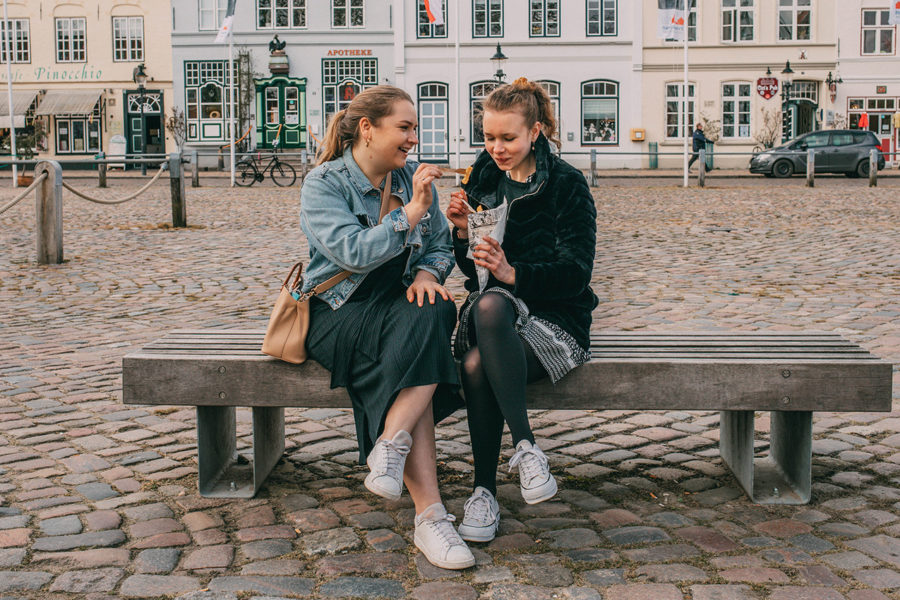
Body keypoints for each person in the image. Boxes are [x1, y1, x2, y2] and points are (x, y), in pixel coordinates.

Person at [299, 85, 475, 570]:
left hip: (400, 303)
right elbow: (352, 253)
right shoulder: (324, 184)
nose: (413, 138)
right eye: (405, 127)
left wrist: (425, 273)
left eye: (414, 127)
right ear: (368, 129)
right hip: (340, 312)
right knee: (420, 340)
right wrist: (411, 212)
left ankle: (390, 447)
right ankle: (431, 517)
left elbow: (439, 247)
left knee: (437, 309)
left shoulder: (410, 179)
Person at [445, 78, 598, 543]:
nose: (496, 148)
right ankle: (526, 451)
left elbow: (576, 271)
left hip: (554, 318)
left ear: (535, 131)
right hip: (496, 314)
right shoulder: (482, 178)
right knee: (490, 303)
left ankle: (485, 490)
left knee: (475, 361)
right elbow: (474, 275)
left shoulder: (566, 184)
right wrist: (459, 235)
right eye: (489, 137)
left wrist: (514, 273)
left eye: (507, 138)